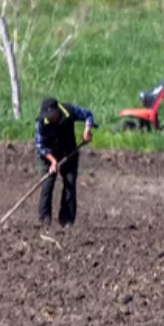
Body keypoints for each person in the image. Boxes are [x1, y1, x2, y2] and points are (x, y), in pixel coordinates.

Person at [34, 97, 94, 229]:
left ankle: (67, 220)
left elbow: (88, 115)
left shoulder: (69, 111)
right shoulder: (41, 122)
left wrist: (87, 130)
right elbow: (39, 145)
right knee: (48, 184)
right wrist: (53, 161)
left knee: (70, 184)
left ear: (56, 111)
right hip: (48, 154)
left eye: (51, 115)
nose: (48, 118)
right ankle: (44, 219)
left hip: (69, 152)